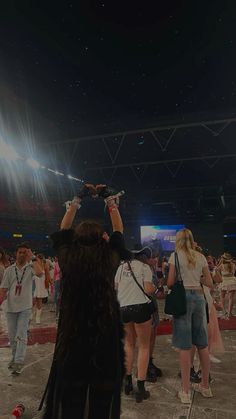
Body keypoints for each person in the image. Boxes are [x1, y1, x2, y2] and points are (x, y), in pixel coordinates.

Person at [40, 184, 130, 419]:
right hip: (105, 337)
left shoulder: (67, 258)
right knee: (103, 400)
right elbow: (119, 229)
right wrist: (109, 200)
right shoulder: (109, 258)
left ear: (76, 239)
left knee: (71, 399)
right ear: (102, 238)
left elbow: (63, 228)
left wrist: (77, 199)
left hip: (72, 336)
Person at [167, 228, 213, 404]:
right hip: (199, 298)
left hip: (183, 300)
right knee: (202, 344)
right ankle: (205, 386)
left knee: (185, 346)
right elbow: (209, 282)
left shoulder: (175, 256)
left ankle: (185, 391)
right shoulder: (200, 257)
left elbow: (171, 282)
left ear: (178, 240)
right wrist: (198, 279)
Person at [115, 247, 155, 403]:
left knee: (128, 345)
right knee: (144, 346)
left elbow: (116, 287)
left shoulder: (120, 267)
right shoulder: (145, 267)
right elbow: (148, 289)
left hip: (123, 308)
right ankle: (141, 388)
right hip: (141, 308)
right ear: (143, 255)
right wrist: (156, 288)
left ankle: (127, 383)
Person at [0, 243, 43, 374]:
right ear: (16, 253)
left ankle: (19, 361)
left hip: (25, 307)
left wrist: (33, 257)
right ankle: (14, 358)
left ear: (28, 254)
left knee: (21, 334)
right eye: (20, 252)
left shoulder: (31, 268)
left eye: (25, 252)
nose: (22, 254)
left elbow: (40, 273)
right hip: (10, 308)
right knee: (12, 336)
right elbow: (3, 289)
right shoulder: (9, 270)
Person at [33, 254, 50, 324]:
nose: (39, 260)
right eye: (38, 259)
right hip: (34, 286)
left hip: (41, 287)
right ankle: (32, 315)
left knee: (39, 303)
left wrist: (50, 282)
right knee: (32, 302)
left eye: (40, 259)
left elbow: (47, 275)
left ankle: (38, 317)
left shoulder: (45, 266)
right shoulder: (33, 265)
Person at [218, 253, 236, 318]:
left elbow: (216, 271)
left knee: (222, 297)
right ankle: (229, 313)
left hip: (224, 281)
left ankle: (224, 312)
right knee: (231, 298)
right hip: (232, 281)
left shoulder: (221, 265)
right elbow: (233, 272)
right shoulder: (233, 264)